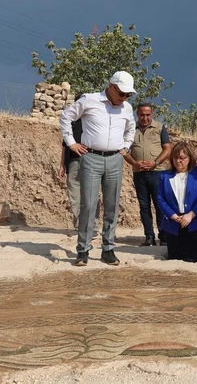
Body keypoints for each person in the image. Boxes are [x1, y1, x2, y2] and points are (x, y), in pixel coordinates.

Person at [59, 71, 136, 266]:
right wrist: (71, 143)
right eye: (121, 93)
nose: (124, 98)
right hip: (91, 158)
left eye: (128, 95)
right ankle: (83, 250)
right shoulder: (89, 100)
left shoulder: (127, 108)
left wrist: (126, 146)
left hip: (115, 160)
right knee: (88, 205)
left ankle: (108, 249)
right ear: (111, 86)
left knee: (112, 206)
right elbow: (65, 117)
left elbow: (131, 128)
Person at [123, 103, 171, 247]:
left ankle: (164, 236)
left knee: (160, 205)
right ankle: (149, 237)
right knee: (144, 206)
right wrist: (134, 163)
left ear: (152, 114)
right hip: (139, 174)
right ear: (137, 115)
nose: (145, 118)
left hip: (157, 172)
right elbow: (124, 150)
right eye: (142, 115)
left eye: (148, 115)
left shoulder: (160, 128)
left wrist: (155, 163)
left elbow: (167, 149)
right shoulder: (131, 129)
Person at [157, 142, 197, 262]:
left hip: (196, 224)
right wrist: (174, 216)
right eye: (175, 157)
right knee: (176, 262)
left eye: (182, 158)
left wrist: (191, 215)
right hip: (173, 225)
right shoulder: (164, 176)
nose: (178, 161)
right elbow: (161, 200)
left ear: (190, 158)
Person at [57, 94, 100, 236]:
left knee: (91, 193)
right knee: (74, 194)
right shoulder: (71, 122)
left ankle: (93, 225)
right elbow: (65, 145)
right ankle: (79, 223)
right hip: (73, 162)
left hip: (91, 160)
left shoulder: (94, 121)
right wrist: (62, 165)